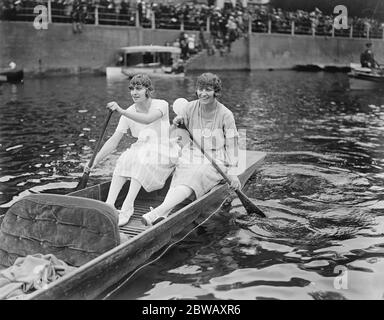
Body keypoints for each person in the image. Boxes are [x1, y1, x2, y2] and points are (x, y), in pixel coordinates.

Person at [141, 73, 241, 226]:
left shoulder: (226, 114)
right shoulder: (190, 107)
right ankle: (164, 212)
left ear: (216, 92)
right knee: (183, 170)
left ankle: (157, 212)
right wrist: (175, 123)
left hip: (216, 157)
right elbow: (173, 133)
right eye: (200, 89)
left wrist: (233, 173)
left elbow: (232, 143)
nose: (203, 93)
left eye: (208, 89)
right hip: (192, 152)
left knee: (196, 173)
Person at [85, 74, 179, 226]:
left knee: (140, 159)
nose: (134, 92)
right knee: (123, 159)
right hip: (143, 147)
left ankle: (127, 207)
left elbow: (148, 119)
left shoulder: (160, 104)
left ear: (148, 90)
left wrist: (121, 111)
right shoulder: (129, 112)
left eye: (139, 89)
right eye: (132, 89)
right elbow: (113, 141)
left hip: (165, 148)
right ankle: (109, 205)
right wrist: (94, 161)